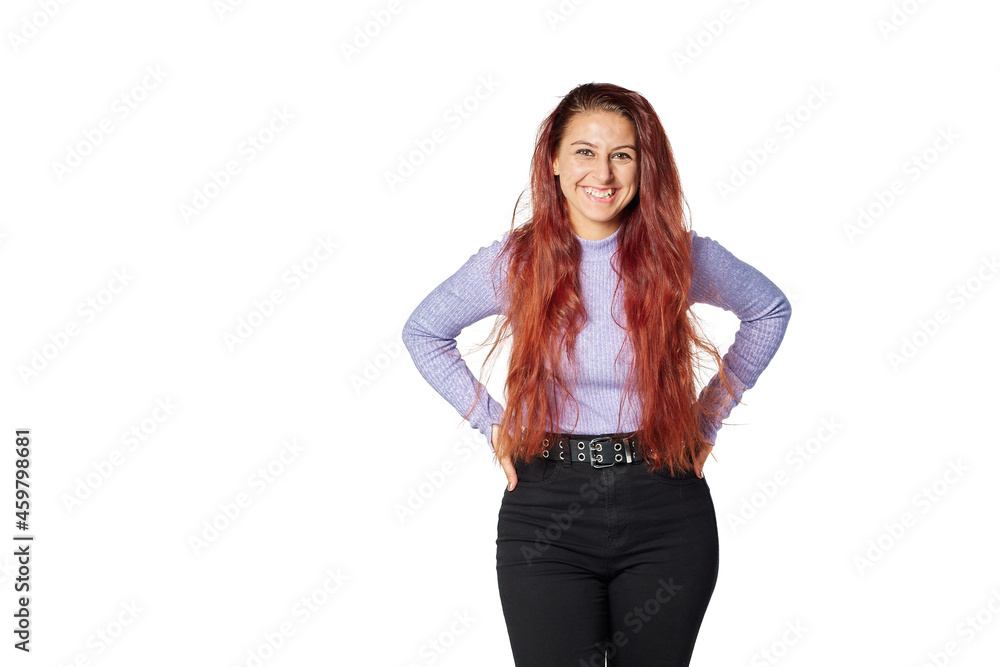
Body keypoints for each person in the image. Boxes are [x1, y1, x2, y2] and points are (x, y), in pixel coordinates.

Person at [401, 82, 791, 667]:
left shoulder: (679, 256)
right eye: (584, 151)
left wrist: (707, 419)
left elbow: (769, 310)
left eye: (622, 155)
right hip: (546, 510)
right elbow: (424, 332)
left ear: (643, 166)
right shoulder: (515, 262)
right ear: (554, 161)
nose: (603, 173)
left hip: (665, 506)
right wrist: (493, 423)